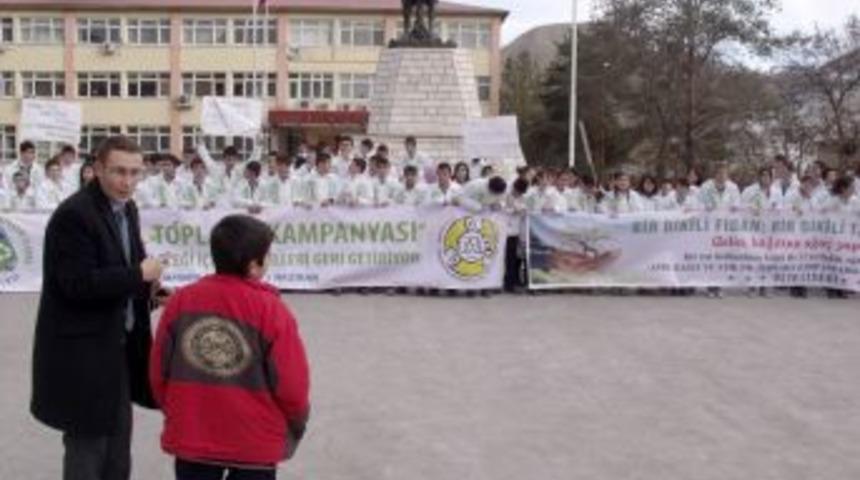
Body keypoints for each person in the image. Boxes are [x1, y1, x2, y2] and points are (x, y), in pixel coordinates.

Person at [31, 135, 165, 480]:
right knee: (88, 446)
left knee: (118, 444)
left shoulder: (127, 208)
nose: (128, 181)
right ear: (97, 170)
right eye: (119, 171)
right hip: (84, 351)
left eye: (135, 173)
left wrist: (154, 291)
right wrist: (138, 273)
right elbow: (77, 285)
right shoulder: (74, 215)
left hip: (118, 346)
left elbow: (126, 266)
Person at [150, 214, 310, 480]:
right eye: (267, 256)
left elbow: (158, 372)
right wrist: (297, 420)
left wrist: (177, 410)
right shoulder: (272, 311)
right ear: (253, 265)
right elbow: (292, 385)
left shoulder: (180, 302)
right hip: (254, 441)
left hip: (193, 434)